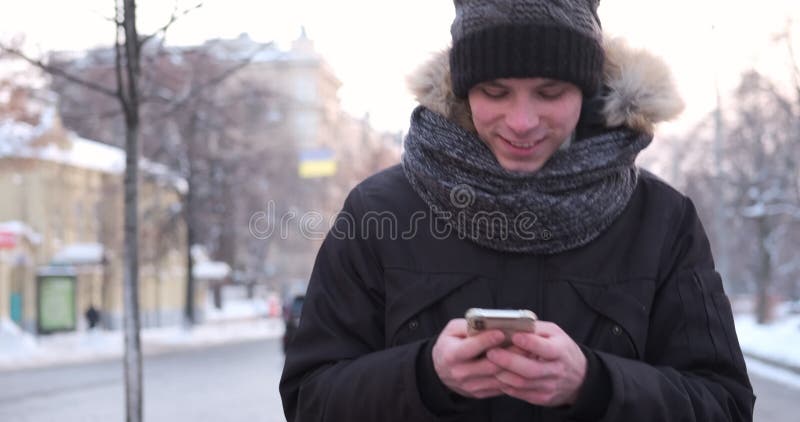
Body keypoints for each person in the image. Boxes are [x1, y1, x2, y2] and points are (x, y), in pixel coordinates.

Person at [280, 0, 755, 420]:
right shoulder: (377, 212)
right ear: (464, 91)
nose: (522, 122)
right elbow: (309, 399)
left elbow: (725, 404)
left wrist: (594, 384)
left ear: (586, 90)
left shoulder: (662, 220)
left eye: (550, 93)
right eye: (495, 91)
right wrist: (424, 375)